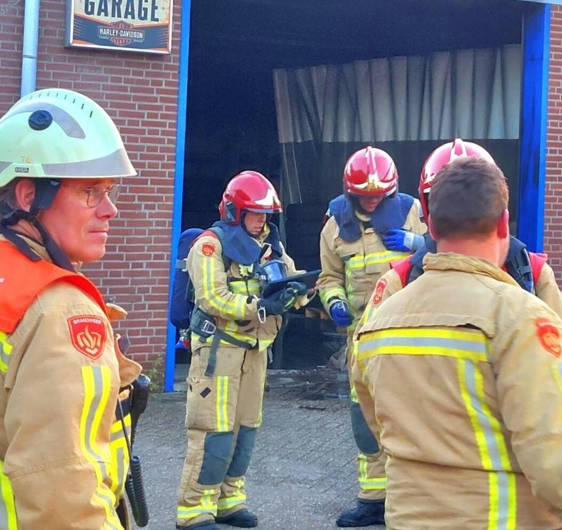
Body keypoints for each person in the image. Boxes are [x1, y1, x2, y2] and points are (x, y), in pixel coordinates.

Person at [351, 157, 562, 529]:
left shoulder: (381, 320)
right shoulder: (519, 317)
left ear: (431, 224)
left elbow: (378, 422)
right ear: (504, 223)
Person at [0, 88, 143, 529]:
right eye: (90, 192)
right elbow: (63, 491)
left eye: (109, 190)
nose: (111, 209)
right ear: (28, 196)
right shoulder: (59, 310)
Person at [176, 170, 310, 530]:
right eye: (254, 213)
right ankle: (194, 511)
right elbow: (213, 297)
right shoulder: (209, 245)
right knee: (213, 431)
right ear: (235, 210)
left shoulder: (271, 244)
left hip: (256, 352)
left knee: (246, 428)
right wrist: (260, 307)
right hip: (218, 352)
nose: (262, 220)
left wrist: (299, 294)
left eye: (266, 214)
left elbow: (290, 278)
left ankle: (229, 501)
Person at [318, 146, 426, 526]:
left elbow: (448, 252)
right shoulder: (334, 225)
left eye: (379, 195)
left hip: (409, 332)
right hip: (361, 336)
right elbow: (328, 277)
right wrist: (334, 303)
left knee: (410, 415)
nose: (372, 200)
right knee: (364, 417)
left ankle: (410, 498)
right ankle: (373, 498)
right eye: (365, 196)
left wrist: (417, 245)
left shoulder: (413, 212)